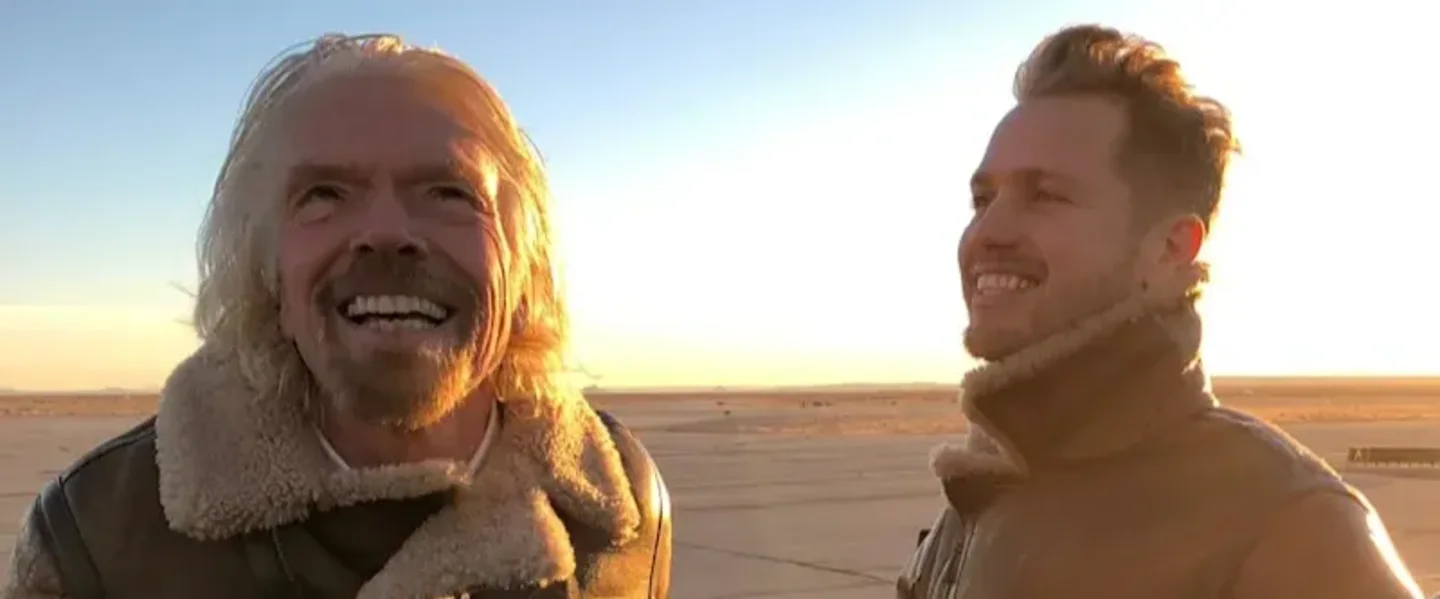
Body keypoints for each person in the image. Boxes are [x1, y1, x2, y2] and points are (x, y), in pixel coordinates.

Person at [2, 33, 672, 599]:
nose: (385, 232)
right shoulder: (95, 539)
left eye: (448, 192)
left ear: (524, 257)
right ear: (264, 263)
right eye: (324, 194)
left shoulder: (625, 505)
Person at [895, 24, 1423, 599]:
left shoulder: (1289, 531)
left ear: (1171, 249)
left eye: (1045, 195)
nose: (985, 232)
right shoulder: (981, 494)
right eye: (982, 199)